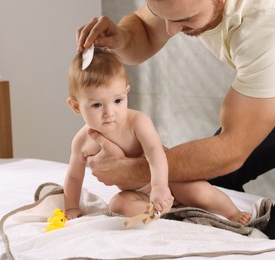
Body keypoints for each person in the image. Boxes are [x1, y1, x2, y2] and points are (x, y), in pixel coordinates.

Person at [76, 0, 275, 237]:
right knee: (208, 185)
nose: (170, 29)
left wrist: (136, 170)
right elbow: (146, 27)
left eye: (184, 20)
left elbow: (231, 150)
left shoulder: (263, 28)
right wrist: (121, 38)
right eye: (164, 17)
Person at [64, 48, 251, 225]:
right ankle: (164, 213)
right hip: (136, 192)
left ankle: (232, 213)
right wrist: (71, 207)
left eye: (118, 101)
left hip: (169, 180)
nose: (109, 112)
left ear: (126, 93)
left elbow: (155, 152)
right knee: (118, 205)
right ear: (76, 107)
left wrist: (160, 186)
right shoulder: (82, 141)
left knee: (200, 192)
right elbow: (74, 176)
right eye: (97, 105)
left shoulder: (137, 122)